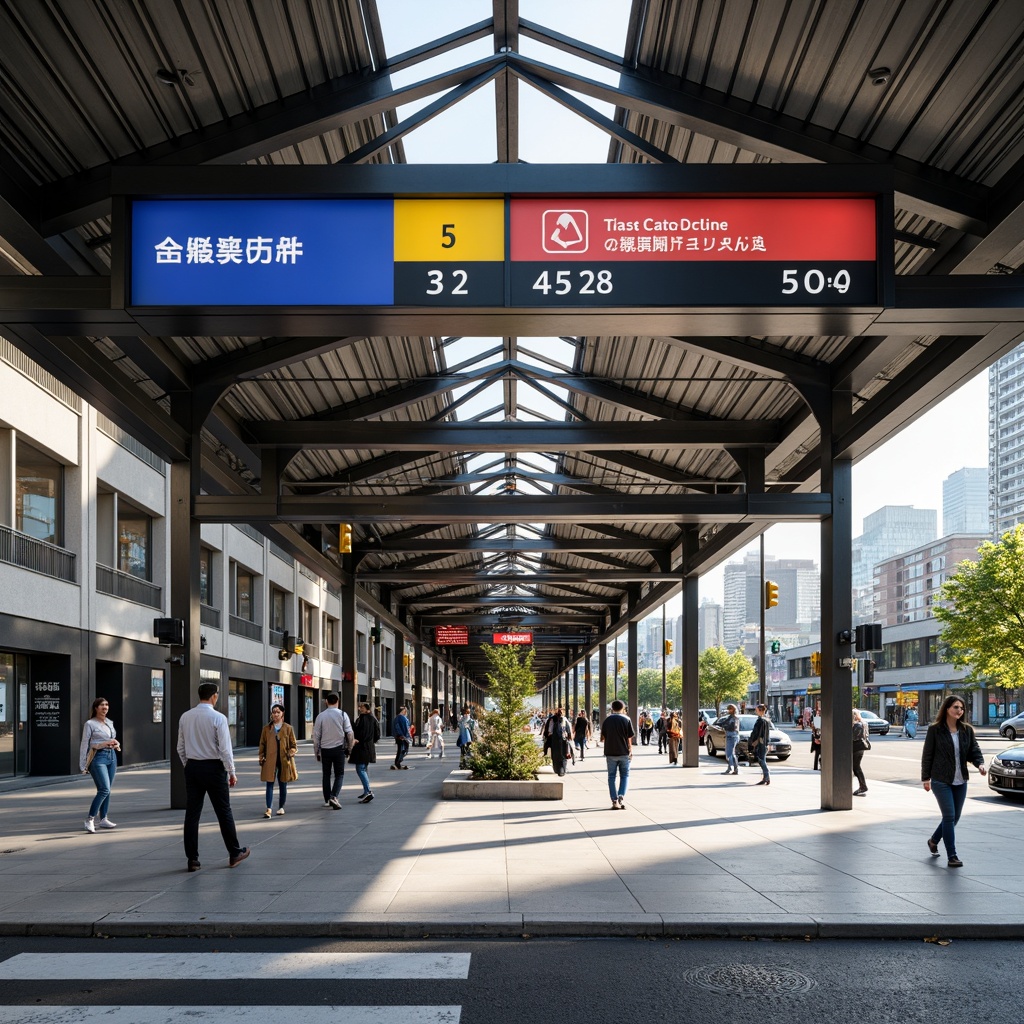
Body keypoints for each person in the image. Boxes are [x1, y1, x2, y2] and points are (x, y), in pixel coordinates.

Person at [176, 682, 249, 871]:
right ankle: (234, 852)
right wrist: (231, 771)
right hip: (214, 768)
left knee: (192, 814)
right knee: (223, 811)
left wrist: (189, 764)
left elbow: (180, 747)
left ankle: (192, 859)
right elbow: (225, 748)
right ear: (214, 696)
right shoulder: (218, 718)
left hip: (192, 767)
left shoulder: (185, 716)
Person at [921, 695, 986, 868]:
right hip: (941, 780)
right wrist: (925, 778)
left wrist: (980, 764)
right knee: (949, 816)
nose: (959, 711)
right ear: (947, 708)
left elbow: (974, 750)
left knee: (954, 818)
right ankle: (952, 856)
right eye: (956, 707)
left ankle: (933, 840)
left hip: (960, 780)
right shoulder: (935, 729)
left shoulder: (967, 730)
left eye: (962, 708)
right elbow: (927, 755)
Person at [79, 697, 121, 833]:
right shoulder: (90, 724)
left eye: (107, 705)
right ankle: (90, 819)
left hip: (112, 757)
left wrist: (116, 743)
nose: (105, 707)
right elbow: (85, 743)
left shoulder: (109, 722)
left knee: (107, 789)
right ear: (96, 708)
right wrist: (83, 764)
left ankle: (103, 819)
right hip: (98, 758)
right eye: (102, 705)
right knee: (104, 789)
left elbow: (111, 738)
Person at [313, 691, 355, 809]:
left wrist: (317, 751)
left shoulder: (320, 716)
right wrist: (349, 748)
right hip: (339, 749)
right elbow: (349, 733)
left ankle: (327, 799)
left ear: (326, 702)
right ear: (338, 701)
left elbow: (316, 736)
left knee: (326, 774)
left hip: (325, 749)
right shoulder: (342, 714)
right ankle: (334, 796)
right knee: (339, 774)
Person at [258, 704, 297, 817]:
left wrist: (291, 752)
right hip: (270, 760)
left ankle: (281, 807)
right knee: (269, 783)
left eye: (278, 712)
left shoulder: (288, 728)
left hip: (284, 760)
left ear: (282, 714)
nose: (275, 714)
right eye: (274, 712)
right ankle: (269, 808)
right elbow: (262, 744)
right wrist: (261, 756)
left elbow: (294, 745)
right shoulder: (267, 729)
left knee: (282, 784)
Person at [600, 699, 635, 810]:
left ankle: (614, 800)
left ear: (612, 708)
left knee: (611, 777)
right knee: (625, 775)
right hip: (624, 752)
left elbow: (603, 738)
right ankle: (621, 796)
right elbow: (629, 737)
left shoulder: (607, 720)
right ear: (623, 708)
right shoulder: (627, 719)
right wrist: (630, 750)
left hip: (610, 752)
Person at [349, 701, 380, 802]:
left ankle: (368, 791)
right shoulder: (373, 719)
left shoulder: (362, 719)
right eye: (360, 707)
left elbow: (359, 733)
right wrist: (371, 742)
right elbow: (377, 735)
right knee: (364, 769)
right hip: (369, 747)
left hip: (362, 747)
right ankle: (366, 791)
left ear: (367, 709)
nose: (360, 709)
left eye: (362, 707)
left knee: (360, 769)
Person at [544, 707, 571, 776]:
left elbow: (547, 731)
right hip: (563, 741)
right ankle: (562, 770)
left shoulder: (551, 719)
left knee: (555, 756)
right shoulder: (564, 719)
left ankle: (557, 769)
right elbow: (568, 731)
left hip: (554, 741)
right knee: (563, 755)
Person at [749, 703, 771, 785]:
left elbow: (758, 733)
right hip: (764, 742)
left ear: (761, 710)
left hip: (761, 743)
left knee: (761, 760)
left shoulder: (761, 720)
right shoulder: (766, 720)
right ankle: (765, 777)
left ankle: (767, 776)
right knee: (762, 760)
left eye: (757, 710)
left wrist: (755, 741)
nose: (756, 711)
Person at [852, 709, 870, 796]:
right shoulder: (863, 723)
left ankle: (863, 786)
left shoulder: (857, 725)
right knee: (855, 767)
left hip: (856, 748)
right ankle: (862, 785)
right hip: (860, 748)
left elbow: (854, 737)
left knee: (856, 767)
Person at [720, 703, 740, 775]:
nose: (728, 710)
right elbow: (723, 723)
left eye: (730, 709)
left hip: (732, 736)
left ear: (733, 709)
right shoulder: (730, 717)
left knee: (730, 753)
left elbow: (732, 727)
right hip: (730, 736)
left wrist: (725, 726)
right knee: (730, 753)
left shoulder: (735, 718)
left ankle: (733, 768)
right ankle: (732, 768)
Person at [391, 705, 412, 769]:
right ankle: (398, 762)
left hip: (401, 736)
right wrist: (402, 735)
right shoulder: (401, 718)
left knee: (401, 749)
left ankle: (398, 762)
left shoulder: (398, 718)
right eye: (405, 710)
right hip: (402, 737)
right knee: (402, 749)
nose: (406, 712)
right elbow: (402, 727)